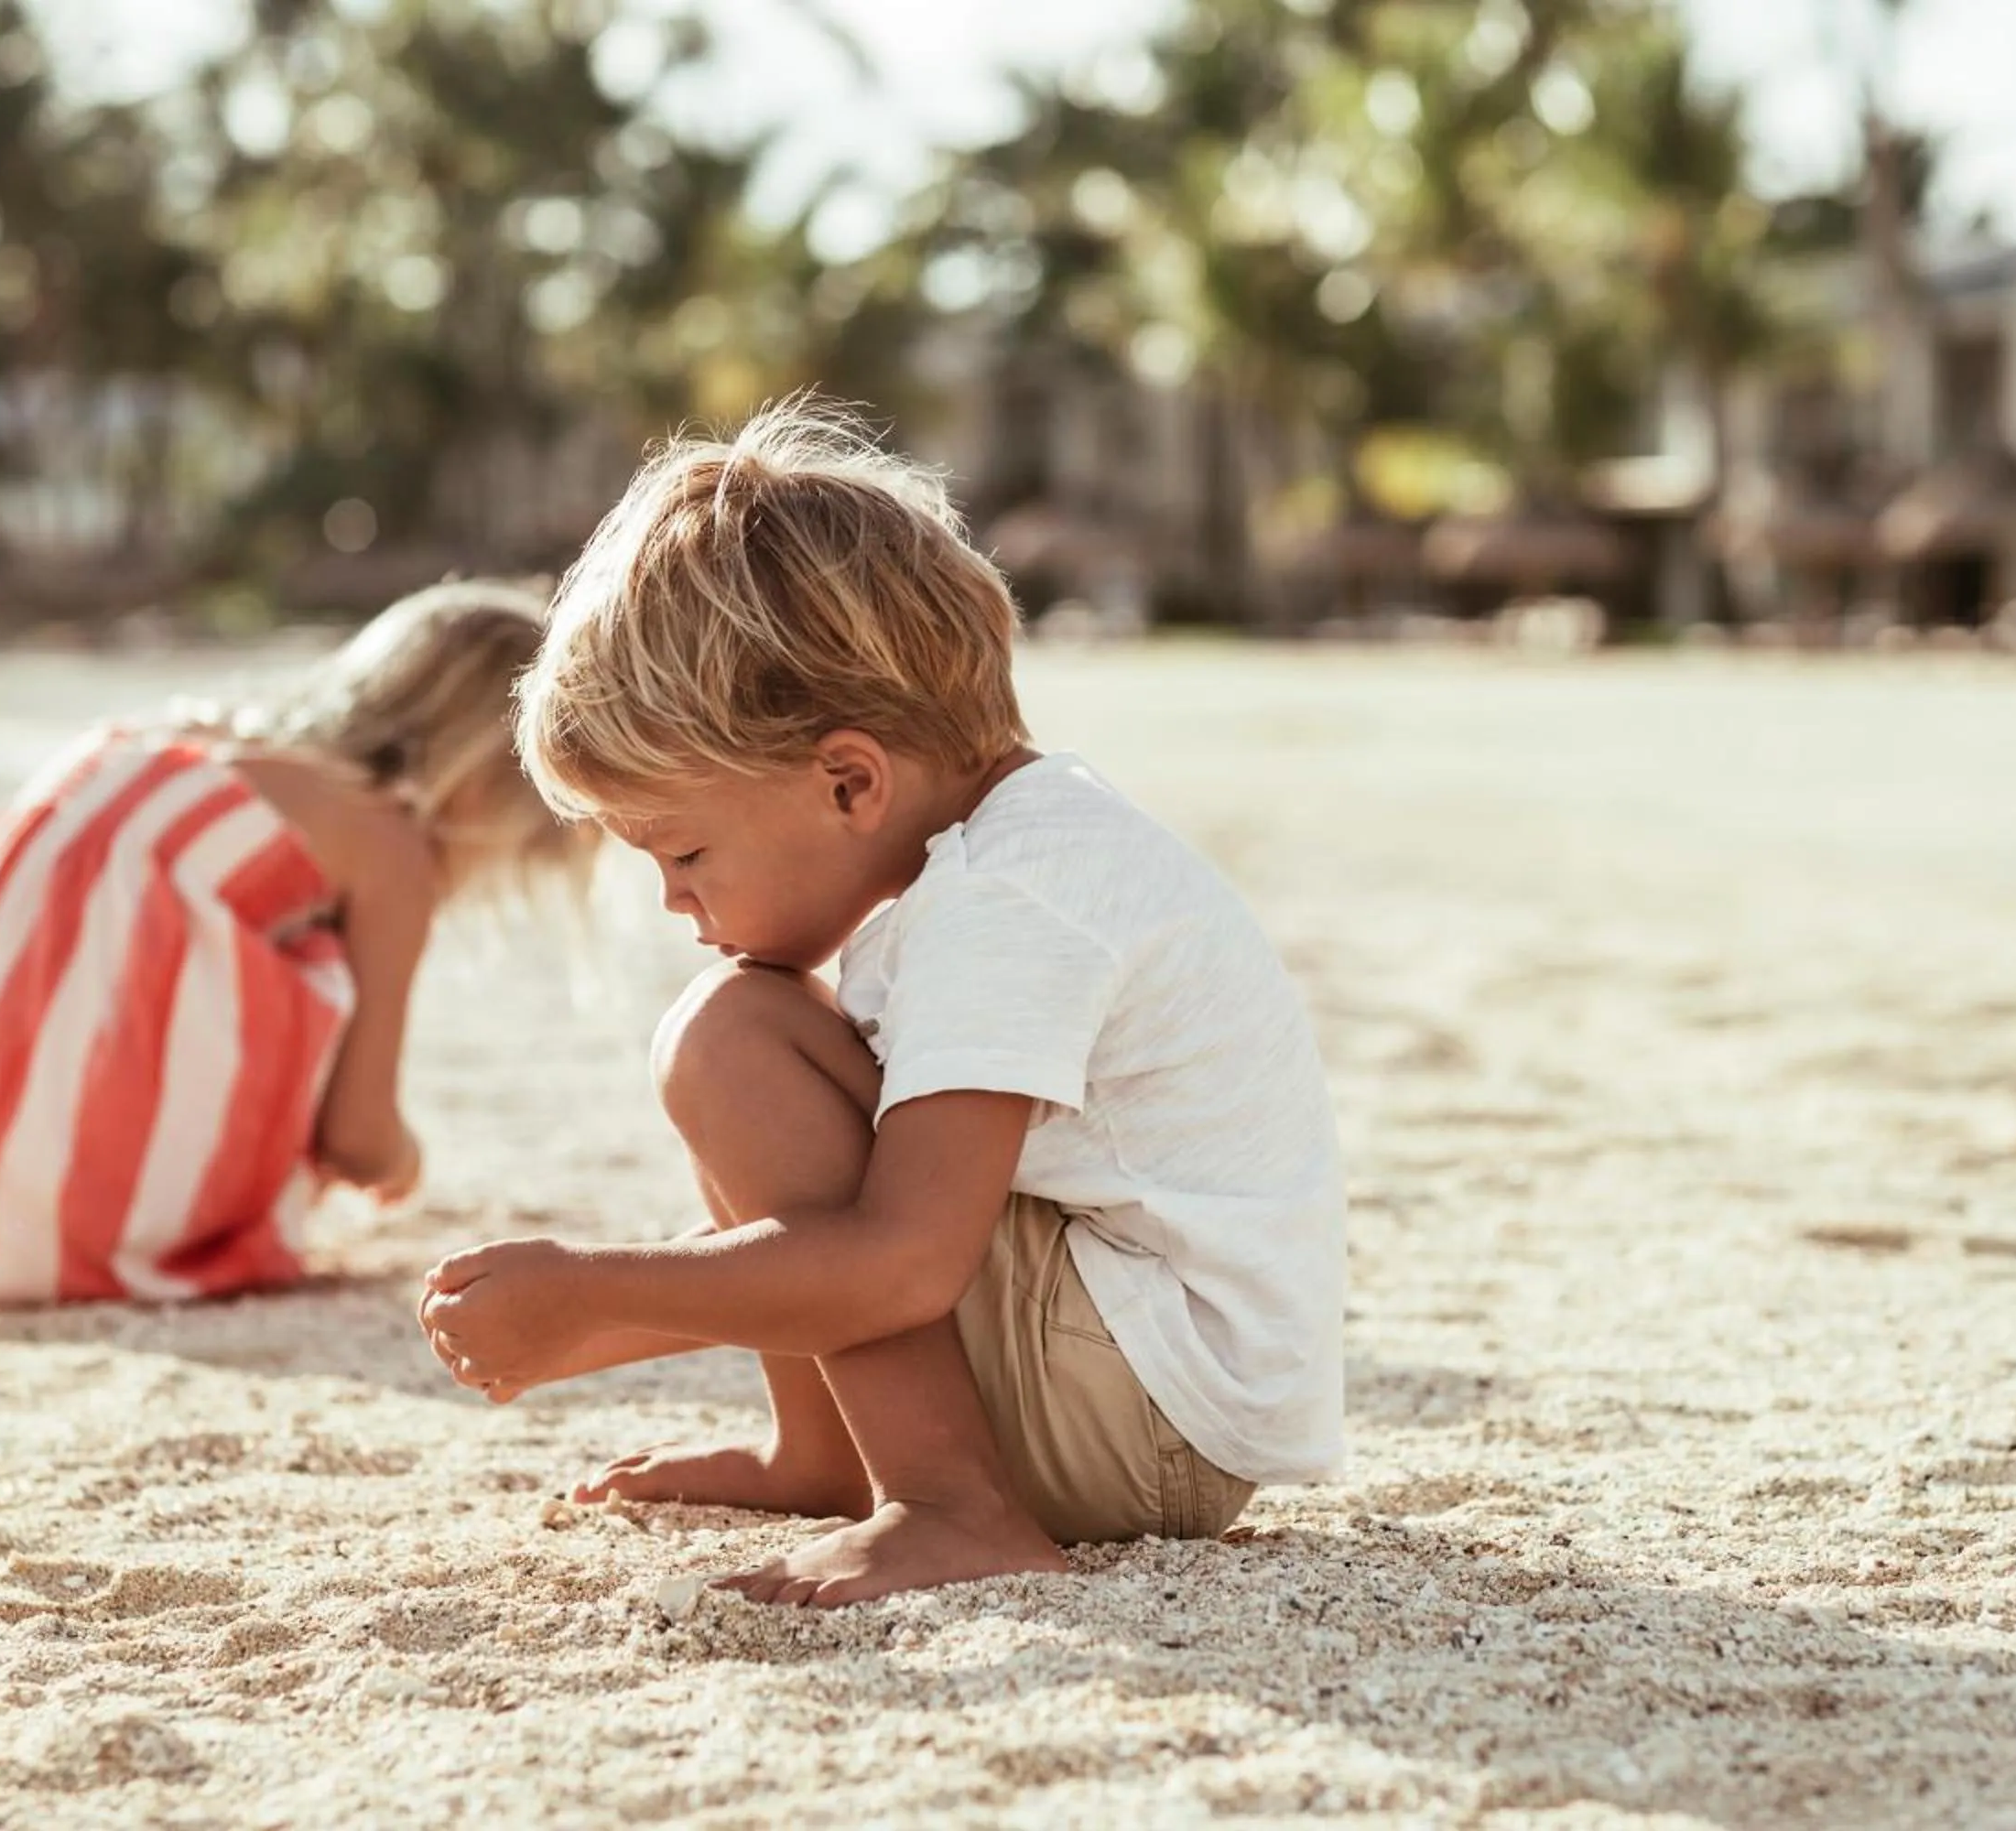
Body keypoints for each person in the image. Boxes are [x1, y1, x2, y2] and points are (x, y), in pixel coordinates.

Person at [417, 401, 1346, 1607]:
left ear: (849, 780)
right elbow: (883, 1226)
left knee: (736, 1040)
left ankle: (953, 1506)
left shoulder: (1007, 899)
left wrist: (595, 1295)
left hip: (1151, 1419)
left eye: (685, 854)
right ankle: (826, 1456)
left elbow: (900, 1265)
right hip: (1142, 1380)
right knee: (763, 1033)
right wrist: (589, 1318)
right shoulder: (1013, 852)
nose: (672, 901)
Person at [0, 580, 595, 1310]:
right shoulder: (385, 843)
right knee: (320, 972)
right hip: (76, 1223)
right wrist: (405, 1161)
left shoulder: (165, 740)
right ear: (478, 794)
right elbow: (358, 1139)